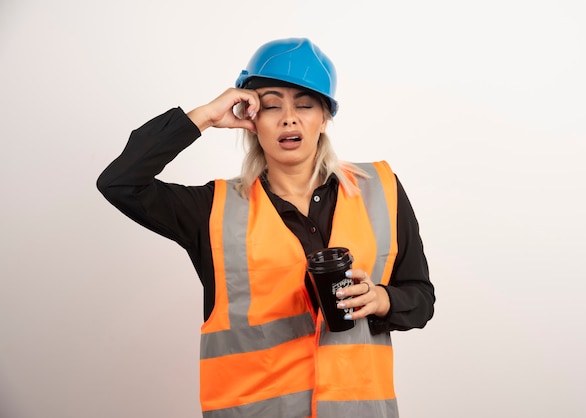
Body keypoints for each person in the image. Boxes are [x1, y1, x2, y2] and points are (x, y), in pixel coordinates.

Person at [97, 37, 435, 418]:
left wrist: (382, 300)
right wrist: (205, 116)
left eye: (305, 105)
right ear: (251, 118)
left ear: (325, 118)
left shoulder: (382, 189)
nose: (289, 118)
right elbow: (120, 182)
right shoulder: (213, 211)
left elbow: (421, 299)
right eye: (271, 105)